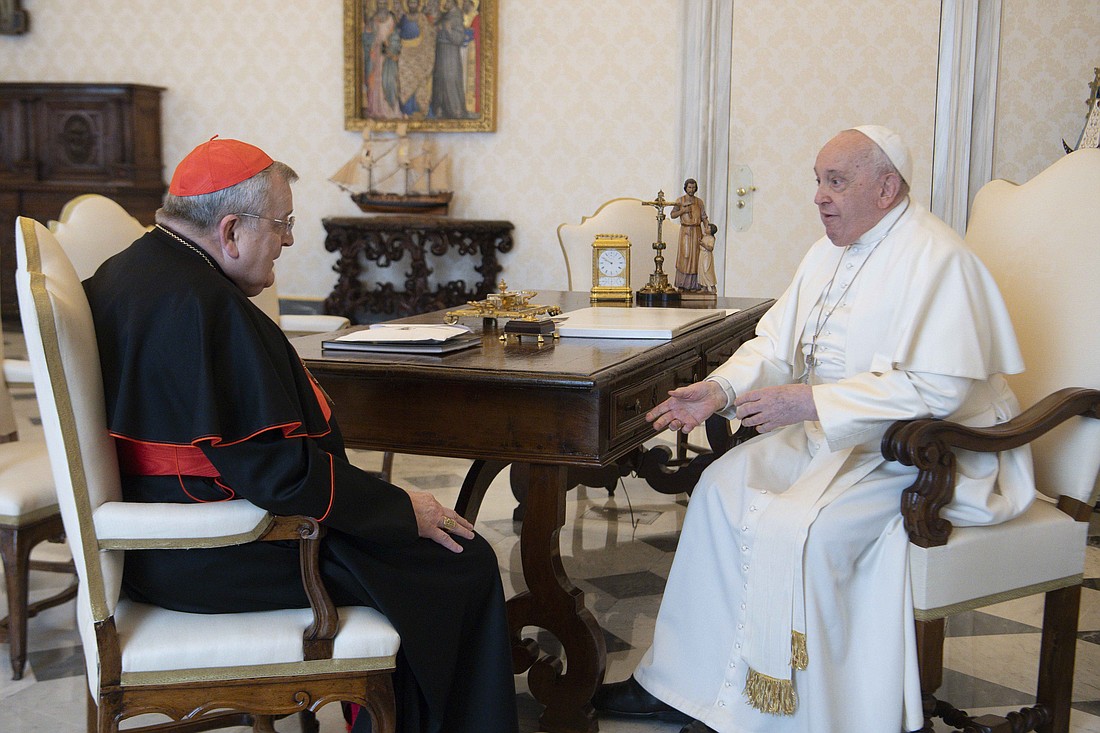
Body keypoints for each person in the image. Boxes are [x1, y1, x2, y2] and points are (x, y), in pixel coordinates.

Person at [593, 126, 1035, 733]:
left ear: (886, 188)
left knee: (809, 531)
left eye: (837, 182)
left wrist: (811, 402)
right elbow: (775, 344)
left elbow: (941, 390)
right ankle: (683, 685)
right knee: (720, 490)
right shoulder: (828, 250)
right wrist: (719, 389)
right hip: (839, 436)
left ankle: (802, 713)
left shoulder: (939, 259)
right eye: (818, 182)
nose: (821, 198)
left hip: (927, 452)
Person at [83, 137, 519, 733]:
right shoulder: (199, 303)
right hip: (211, 549)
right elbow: (276, 474)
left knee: (434, 552)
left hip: (163, 538)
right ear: (231, 229)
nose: (289, 240)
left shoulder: (132, 270)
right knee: (460, 560)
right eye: (282, 224)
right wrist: (399, 508)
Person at [670, 178, 710, 291]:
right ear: (685, 188)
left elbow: (704, 217)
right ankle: (682, 284)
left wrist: (708, 227)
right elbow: (673, 214)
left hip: (697, 231)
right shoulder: (680, 200)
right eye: (689, 187)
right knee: (685, 256)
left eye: (693, 187)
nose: (691, 190)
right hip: (685, 232)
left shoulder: (699, 202)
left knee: (697, 257)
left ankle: (695, 285)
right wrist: (683, 211)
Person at [697, 222, 718, 293]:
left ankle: (713, 287)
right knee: (701, 270)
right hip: (702, 255)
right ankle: (704, 286)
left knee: (707, 271)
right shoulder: (705, 237)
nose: (705, 229)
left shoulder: (711, 238)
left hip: (707, 256)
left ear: (711, 231)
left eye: (708, 228)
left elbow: (710, 248)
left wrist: (703, 244)